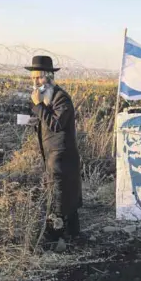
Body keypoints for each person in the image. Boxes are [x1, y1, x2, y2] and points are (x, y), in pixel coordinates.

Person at [25, 55, 82, 248]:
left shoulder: (60, 98)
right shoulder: (41, 98)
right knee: (63, 195)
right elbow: (45, 120)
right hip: (51, 155)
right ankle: (74, 234)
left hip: (62, 157)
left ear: (49, 77)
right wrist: (34, 120)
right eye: (33, 78)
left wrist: (39, 107)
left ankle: (55, 240)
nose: (36, 82)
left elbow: (56, 124)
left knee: (58, 197)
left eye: (39, 78)